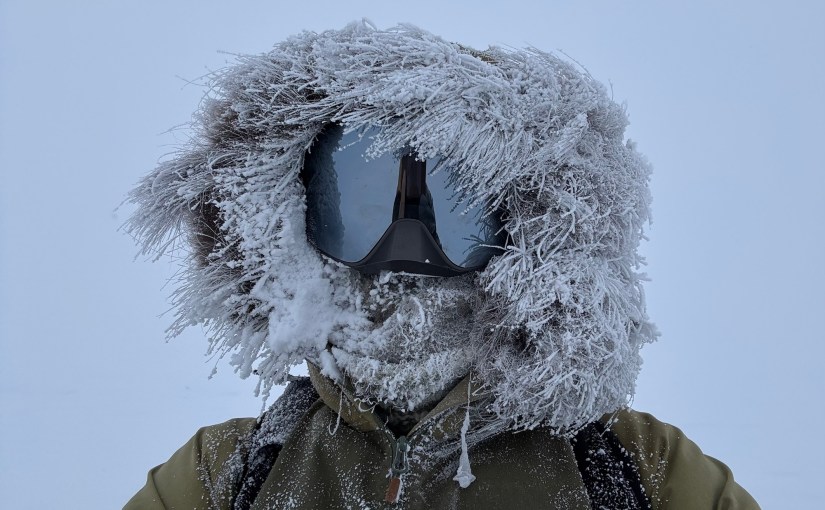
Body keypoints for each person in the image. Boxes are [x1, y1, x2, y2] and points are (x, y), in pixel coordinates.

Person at [124, 22, 760, 509]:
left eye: (454, 212)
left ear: (532, 235)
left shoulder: (637, 470)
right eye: (362, 206)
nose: (407, 251)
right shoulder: (227, 475)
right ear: (291, 222)